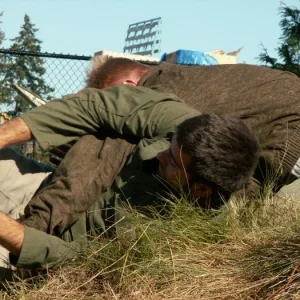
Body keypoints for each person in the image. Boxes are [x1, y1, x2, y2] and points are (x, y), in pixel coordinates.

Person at [0, 84, 259, 270]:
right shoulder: (183, 124)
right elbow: (93, 106)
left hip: (31, 251)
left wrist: (10, 232)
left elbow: (82, 263)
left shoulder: (185, 244)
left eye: (172, 160)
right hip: (43, 186)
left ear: (201, 190)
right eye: (169, 144)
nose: (160, 156)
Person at [86, 56, 300, 193]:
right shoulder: (183, 79)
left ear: (128, 85)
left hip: (291, 135)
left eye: (111, 99)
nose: (112, 111)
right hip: (285, 123)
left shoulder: (160, 90)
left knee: (224, 206)